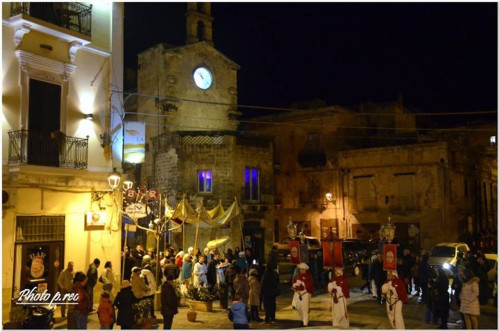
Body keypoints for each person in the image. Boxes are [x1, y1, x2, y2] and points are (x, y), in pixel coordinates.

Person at [291, 262, 314, 327]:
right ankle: (301, 319)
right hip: (298, 294)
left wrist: (303, 284)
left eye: (303, 269)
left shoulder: (308, 276)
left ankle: (305, 323)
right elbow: (293, 282)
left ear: (305, 270)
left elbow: (310, 285)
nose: (301, 270)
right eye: (301, 269)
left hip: (305, 294)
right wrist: (294, 285)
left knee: (305, 308)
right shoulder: (298, 276)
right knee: (299, 307)